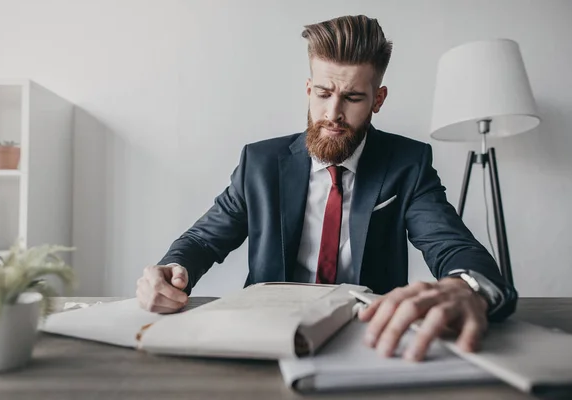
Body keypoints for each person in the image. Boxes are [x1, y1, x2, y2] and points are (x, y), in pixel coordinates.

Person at [136, 15, 517, 361]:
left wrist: (467, 287)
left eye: (352, 98)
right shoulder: (261, 162)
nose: (332, 114)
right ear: (308, 89)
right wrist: (174, 270)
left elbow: (452, 245)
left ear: (377, 100)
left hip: (370, 338)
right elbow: (204, 239)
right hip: (264, 337)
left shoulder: (407, 164)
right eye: (322, 93)